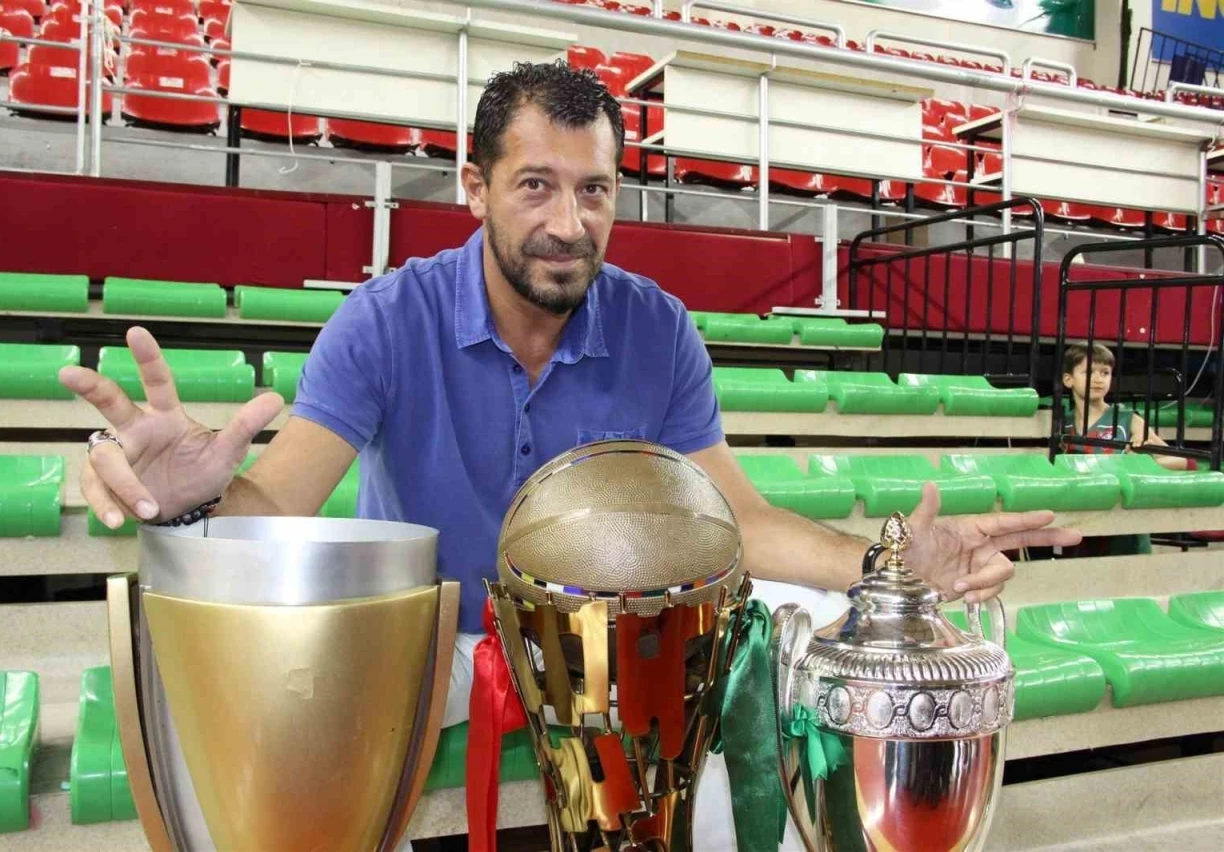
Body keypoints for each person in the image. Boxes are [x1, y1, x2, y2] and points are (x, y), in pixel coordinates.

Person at [60, 60, 1078, 843]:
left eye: (594, 191)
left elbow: (736, 523)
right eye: (536, 186)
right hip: (437, 639)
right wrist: (191, 497)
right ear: (474, 186)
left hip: (614, 644)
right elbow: (277, 507)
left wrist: (886, 567)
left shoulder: (656, 326)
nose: (568, 223)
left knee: (795, 626)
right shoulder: (386, 319)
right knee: (272, 665)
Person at [1058, 342, 1187, 556]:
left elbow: (1180, 461)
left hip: (1124, 525)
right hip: (1081, 522)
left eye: (1105, 372)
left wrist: (1141, 460)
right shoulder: (1061, 424)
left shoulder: (1127, 419)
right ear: (1068, 379)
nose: (1098, 379)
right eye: (1089, 372)